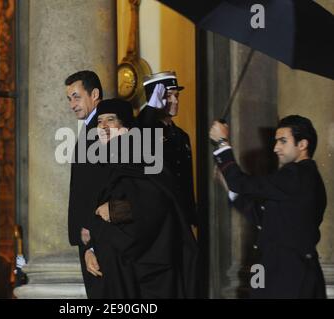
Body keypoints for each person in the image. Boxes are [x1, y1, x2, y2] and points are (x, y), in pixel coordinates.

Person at [85, 98, 198, 298]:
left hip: (147, 277)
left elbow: (159, 204)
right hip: (116, 274)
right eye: (99, 121)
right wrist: (91, 249)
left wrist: (115, 210)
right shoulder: (105, 162)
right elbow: (97, 213)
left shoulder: (142, 158)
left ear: (127, 128)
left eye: (110, 120)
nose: (103, 126)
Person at [210, 115, 327, 298]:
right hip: (271, 270)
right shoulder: (296, 178)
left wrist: (222, 142)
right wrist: (229, 187)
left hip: (289, 277)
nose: (275, 148)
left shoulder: (297, 174)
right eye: (276, 141)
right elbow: (262, 218)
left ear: (302, 144)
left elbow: (241, 183)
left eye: (283, 141)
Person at [139, 71, 197, 228]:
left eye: (176, 96)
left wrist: (191, 212)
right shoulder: (147, 128)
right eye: (168, 96)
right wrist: (150, 109)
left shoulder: (182, 135)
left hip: (180, 211)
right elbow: (140, 134)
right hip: (159, 213)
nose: (175, 100)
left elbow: (185, 177)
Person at [64, 70, 103, 296]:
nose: (72, 104)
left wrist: (91, 237)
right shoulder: (89, 128)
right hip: (89, 234)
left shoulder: (101, 130)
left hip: (95, 234)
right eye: (69, 99)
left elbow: (100, 187)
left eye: (77, 96)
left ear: (94, 94)